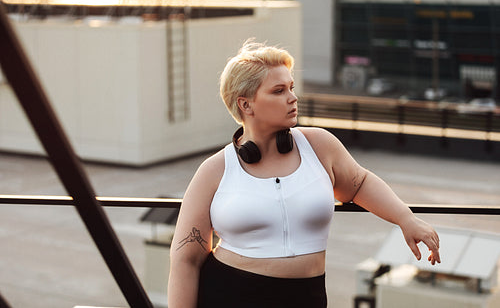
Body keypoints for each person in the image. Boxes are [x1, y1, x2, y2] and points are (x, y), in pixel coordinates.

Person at [167, 40, 441, 308]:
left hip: (306, 297)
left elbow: (359, 183)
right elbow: (185, 258)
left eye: (291, 87)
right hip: (228, 294)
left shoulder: (319, 146)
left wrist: (406, 219)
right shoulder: (214, 169)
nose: (292, 97)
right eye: (278, 91)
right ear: (246, 105)